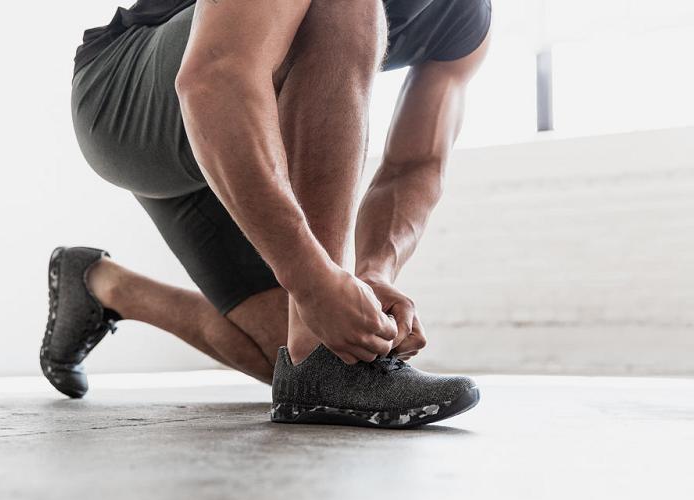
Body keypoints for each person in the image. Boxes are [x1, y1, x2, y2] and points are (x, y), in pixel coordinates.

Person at [40, 0, 491, 428]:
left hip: (238, 127)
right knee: (317, 340)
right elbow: (213, 78)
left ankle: (103, 284)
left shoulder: (466, 18)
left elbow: (415, 166)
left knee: (297, 347)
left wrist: (373, 273)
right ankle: (324, 366)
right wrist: (313, 280)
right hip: (127, 100)